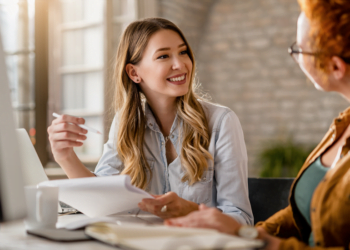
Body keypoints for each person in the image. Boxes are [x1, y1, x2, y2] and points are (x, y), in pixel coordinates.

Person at [165, 0, 350, 249]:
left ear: (336, 66)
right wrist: (242, 233)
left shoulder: (221, 120)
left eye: (299, 50)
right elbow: (300, 214)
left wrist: (253, 237)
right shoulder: (342, 125)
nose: (296, 58)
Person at [47, 18, 253, 224]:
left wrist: (189, 211)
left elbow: (241, 219)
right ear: (134, 73)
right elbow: (99, 201)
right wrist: (65, 157)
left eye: (183, 52)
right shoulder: (125, 124)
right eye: (164, 56)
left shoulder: (221, 122)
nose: (180, 64)